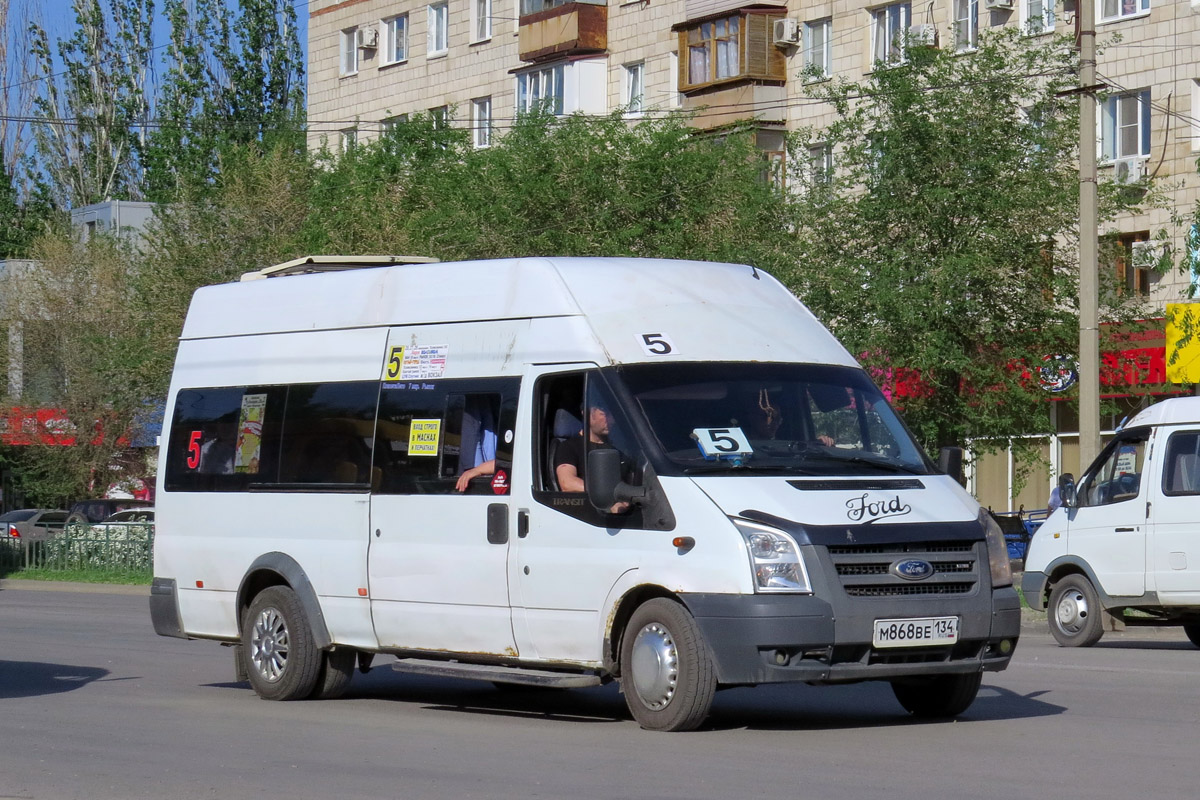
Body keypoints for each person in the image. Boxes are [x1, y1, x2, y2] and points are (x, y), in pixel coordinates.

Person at [555, 403, 630, 513]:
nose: (611, 419)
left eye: (612, 414)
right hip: (590, 512)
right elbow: (567, 483)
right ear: (586, 414)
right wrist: (609, 495)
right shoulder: (569, 447)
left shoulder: (620, 448)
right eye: (604, 413)